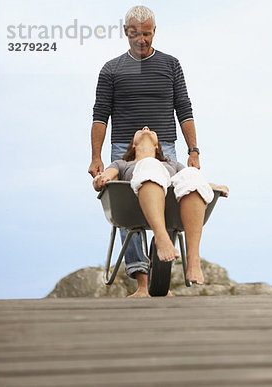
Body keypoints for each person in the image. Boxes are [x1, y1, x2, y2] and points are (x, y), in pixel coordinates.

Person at [88, 5, 202, 296]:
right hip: (124, 149)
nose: (142, 39)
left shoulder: (170, 65)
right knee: (131, 216)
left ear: (154, 31)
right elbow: (100, 115)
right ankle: (141, 284)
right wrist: (97, 157)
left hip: (165, 149)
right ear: (126, 32)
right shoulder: (111, 69)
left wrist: (194, 150)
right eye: (135, 34)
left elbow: (184, 109)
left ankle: (161, 279)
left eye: (147, 33)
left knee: (168, 209)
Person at [93, 127, 229, 297]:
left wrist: (214, 188)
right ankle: (162, 236)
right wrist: (101, 180)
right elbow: (105, 177)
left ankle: (194, 259)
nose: (145, 128)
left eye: (150, 130)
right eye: (139, 130)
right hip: (133, 206)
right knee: (149, 164)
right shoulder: (121, 164)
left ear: (158, 146)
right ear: (133, 146)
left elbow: (192, 181)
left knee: (192, 173)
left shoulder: (172, 164)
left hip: (171, 205)